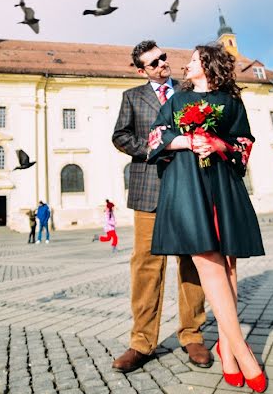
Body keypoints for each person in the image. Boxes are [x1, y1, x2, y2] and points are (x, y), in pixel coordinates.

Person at [147, 43, 267, 392]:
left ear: (209, 65)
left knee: (228, 264)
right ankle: (243, 350)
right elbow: (156, 135)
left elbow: (243, 141)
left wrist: (218, 145)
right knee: (207, 260)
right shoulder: (177, 101)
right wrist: (187, 141)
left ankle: (226, 349)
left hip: (221, 183)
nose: (187, 65)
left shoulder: (231, 103)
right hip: (187, 183)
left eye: (194, 60)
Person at [111, 40, 210, 373]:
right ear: (142, 71)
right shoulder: (132, 97)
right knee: (146, 267)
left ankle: (192, 334)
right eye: (153, 63)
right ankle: (141, 342)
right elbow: (120, 137)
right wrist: (154, 148)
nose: (162, 64)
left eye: (163, 58)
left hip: (188, 187)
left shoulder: (187, 91)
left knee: (191, 261)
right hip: (148, 189)